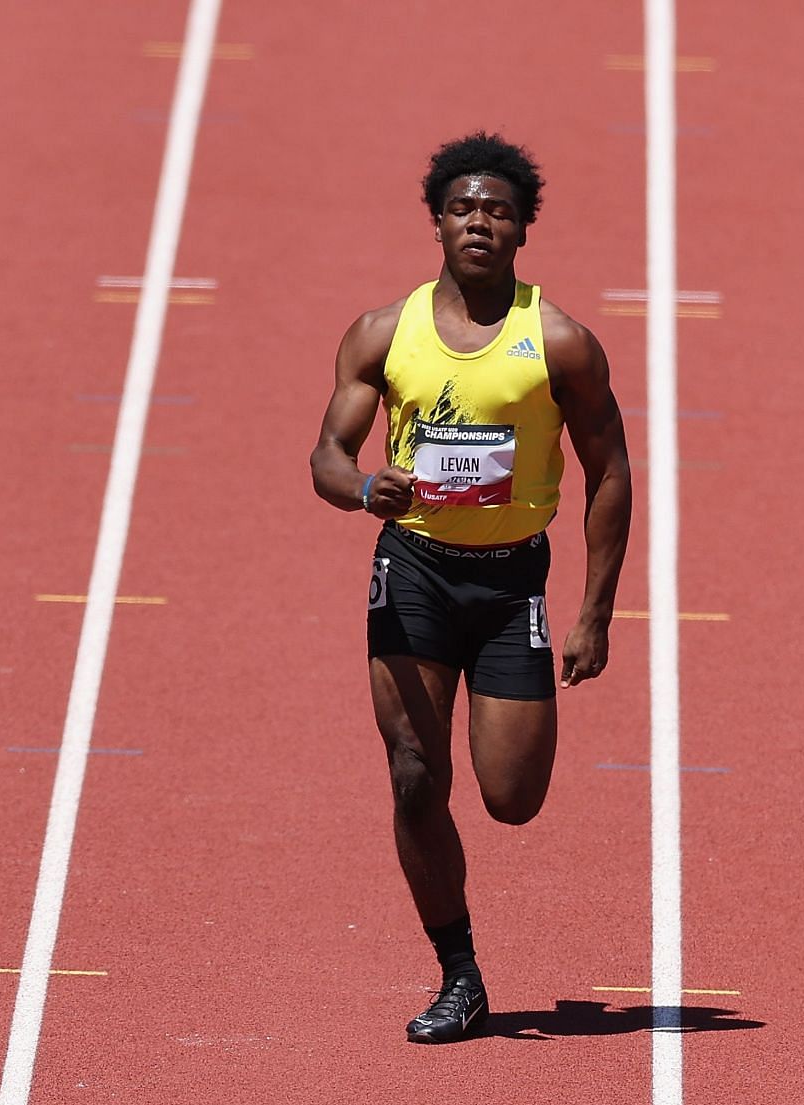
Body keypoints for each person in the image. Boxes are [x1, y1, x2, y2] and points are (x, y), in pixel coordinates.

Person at [309, 133, 633, 1042]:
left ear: (522, 227)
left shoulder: (559, 341)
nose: (479, 223)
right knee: (415, 773)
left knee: (511, 797)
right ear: (438, 222)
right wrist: (365, 488)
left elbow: (612, 472)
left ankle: (466, 952)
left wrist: (595, 614)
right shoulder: (384, 332)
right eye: (463, 208)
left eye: (497, 210)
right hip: (411, 568)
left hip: (509, 582)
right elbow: (327, 455)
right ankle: (459, 972)